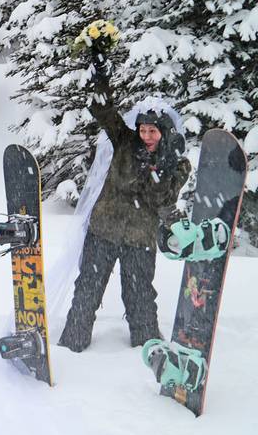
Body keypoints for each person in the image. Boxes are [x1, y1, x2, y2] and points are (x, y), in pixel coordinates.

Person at [57, 39, 191, 353]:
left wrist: (156, 170)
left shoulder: (177, 163)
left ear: (164, 132)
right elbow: (104, 111)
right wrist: (99, 73)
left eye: (153, 132)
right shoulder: (125, 141)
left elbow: (163, 201)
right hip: (104, 228)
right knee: (87, 290)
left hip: (139, 237)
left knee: (140, 295)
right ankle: (72, 347)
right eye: (143, 129)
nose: (146, 136)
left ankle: (148, 353)